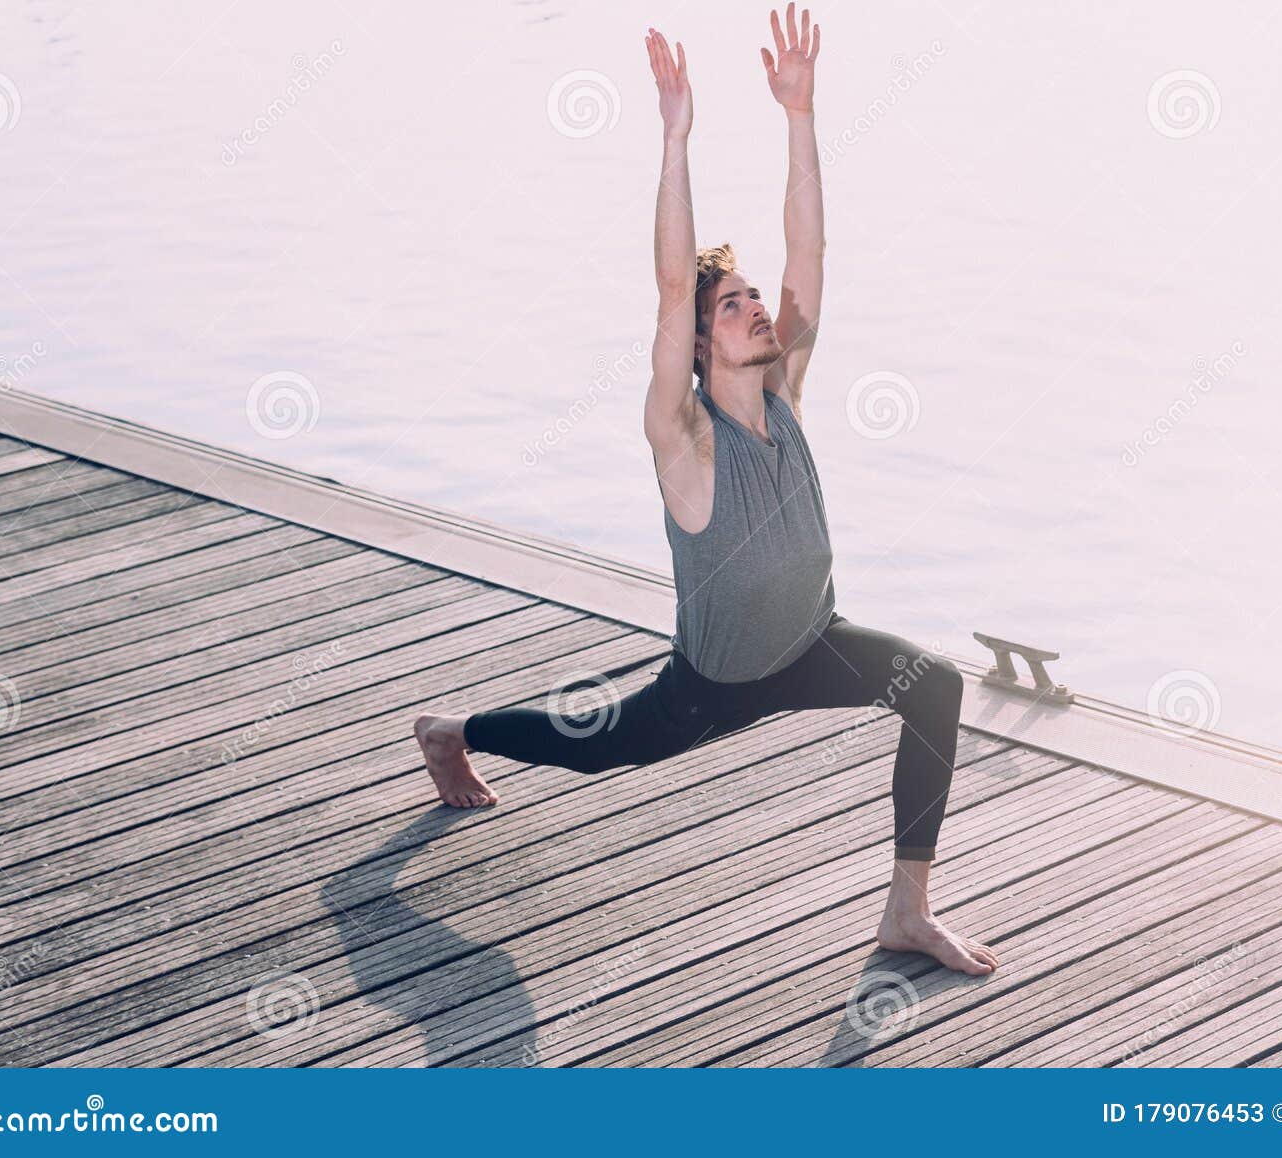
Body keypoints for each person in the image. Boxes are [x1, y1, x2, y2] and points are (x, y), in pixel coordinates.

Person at [415, 5, 997, 976]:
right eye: (733, 306)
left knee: (933, 684)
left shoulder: (788, 395)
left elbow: (809, 253)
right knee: (598, 745)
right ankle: (451, 730)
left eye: (756, 298)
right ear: (696, 343)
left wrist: (799, 115)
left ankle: (906, 910)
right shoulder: (683, 437)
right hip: (713, 685)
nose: (759, 306)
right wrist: (676, 135)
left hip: (813, 647)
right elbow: (667, 286)